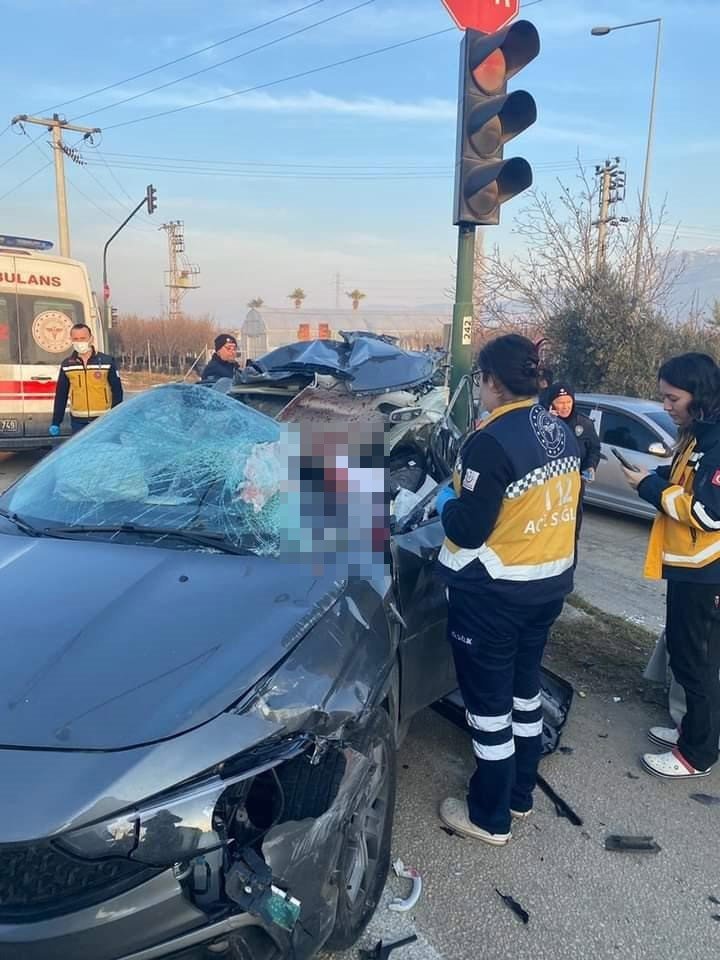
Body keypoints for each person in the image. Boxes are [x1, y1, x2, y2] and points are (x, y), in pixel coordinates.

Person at [435, 334, 581, 845]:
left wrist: (444, 502)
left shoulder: (491, 441)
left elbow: (468, 530)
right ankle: (520, 794)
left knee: (488, 708)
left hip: (492, 596)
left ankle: (488, 815)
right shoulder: (561, 432)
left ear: (492, 381)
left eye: (480, 379)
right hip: (545, 590)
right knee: (524, 696)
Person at [621, 352, 720, 780]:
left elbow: (709, 513)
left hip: (704, 572)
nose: (666, 406)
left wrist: (648, 487)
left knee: (694, 662)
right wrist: (659, 474)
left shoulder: (717, 441)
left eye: (672, 399)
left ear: (698, 395)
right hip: (688, 567)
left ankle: (697, 754)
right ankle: (697, 732)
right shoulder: (699, 433)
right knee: (692, 660)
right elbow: (685, 480)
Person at [544, 382, 601, 537]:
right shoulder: (541, 421)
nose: (565, 406)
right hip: (547, 484)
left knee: (572, 523)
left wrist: (590, 467)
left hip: (574, 483)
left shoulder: (584, 423)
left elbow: (594, 449)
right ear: (551, 403)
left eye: (569, 402)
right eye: (560, 402)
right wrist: (548, 423)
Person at [49, 323, 123, 436]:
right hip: (78, 421)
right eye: (76, 339)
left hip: (103, 420)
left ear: (91, 339)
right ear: (71, 340)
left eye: (83, 338)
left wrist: (114, 417)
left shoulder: (106, 361)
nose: (79, 342)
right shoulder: (68, 364)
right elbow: (61, 394)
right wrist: (56, 421)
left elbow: (117, 391)